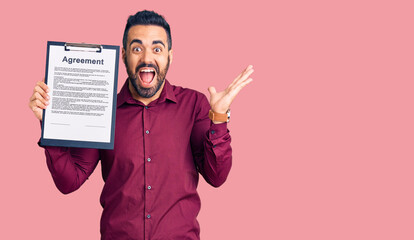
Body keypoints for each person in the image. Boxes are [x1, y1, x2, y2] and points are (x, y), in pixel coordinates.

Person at [29, 10, 253, 240]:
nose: (147, 58)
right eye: (137, 49)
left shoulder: (194, 105)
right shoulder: (103, 110)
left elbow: (216, 177)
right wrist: (50, 125)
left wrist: (218, 117)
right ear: (124, 55)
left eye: (157, 49)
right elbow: (69, 182)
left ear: (170, 56)